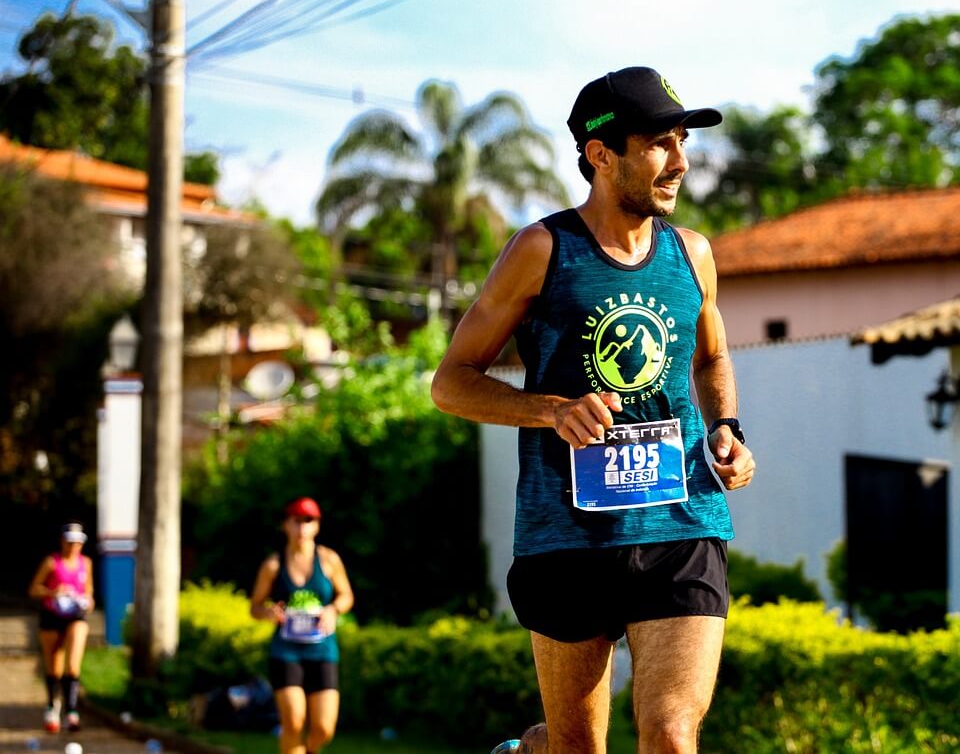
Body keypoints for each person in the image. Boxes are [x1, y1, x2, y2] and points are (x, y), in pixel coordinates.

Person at [432, 66, 756, 753]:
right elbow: (452, 382)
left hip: (681, 520)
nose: (680, 161)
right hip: (566, 534)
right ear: (601, 155)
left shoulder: (692, 253)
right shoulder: (542, 251)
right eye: (659, 144)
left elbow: (710, 357)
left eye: (681, 141)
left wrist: (726, 426)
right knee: (578, 747)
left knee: (671, 733)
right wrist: (550, 410)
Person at [249, 497, 354, 754]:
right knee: (294, 721)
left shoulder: (329, 560)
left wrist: (333, 609)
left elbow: (346, 596)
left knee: (323, 728)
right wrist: (269, 612)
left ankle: (308, 750)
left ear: (317, 526)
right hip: (286, 651)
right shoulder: (273, 566)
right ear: (286, 525)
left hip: (322, 650)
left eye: (309, 521)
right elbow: (255, 607)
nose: (302, 528)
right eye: (297, 521)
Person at [27, 522, 95, 734]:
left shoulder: (86, 563)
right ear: (62, 542)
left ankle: (72, 711)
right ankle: (52, 706)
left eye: (77, 542)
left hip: (75, 615)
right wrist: (53, 592)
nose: (73, 546)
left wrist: (86, 601)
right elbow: (34, 590)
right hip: (52, 616)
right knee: (53, 667)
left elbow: (89, 592)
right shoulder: (51, 562)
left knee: (73, 665)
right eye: (70, 542)